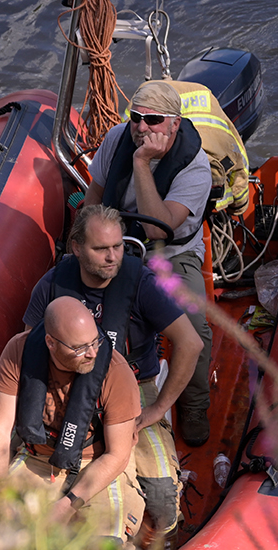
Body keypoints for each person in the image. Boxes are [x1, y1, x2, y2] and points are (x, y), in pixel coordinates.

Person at [23, 205, 201, 532]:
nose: (112, 257)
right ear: (76, 247)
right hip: (68, 387)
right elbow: (27, 351)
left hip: (134, 388)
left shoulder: (142, 283)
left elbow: (191, 344)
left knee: (163, 500)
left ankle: (161, 543)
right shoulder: (50, 288)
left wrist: (159, 408)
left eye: (118, 246)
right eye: (101, 248)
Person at [83, 78, 215, 444]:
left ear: (174, 123)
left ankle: (193, 404)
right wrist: (79, 246)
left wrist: (141, 162)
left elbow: (160, 229)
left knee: (194, 326)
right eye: (136, 117)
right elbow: (94, 197)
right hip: (116, 238)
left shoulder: (195, 168)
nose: (142, 127)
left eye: (154, 119)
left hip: (169, 252)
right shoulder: (116, 138)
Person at [0, 295, 143, 547]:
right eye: (80, 348)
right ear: (51, 343)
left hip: (98, 463)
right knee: (1, 541)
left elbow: (117, 455)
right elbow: (0, 432)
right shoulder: (19, 351)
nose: (92, 353)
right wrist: (0, 494)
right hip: (39, 457)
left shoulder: (115, 371)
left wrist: (66, 506)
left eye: (95, 342)